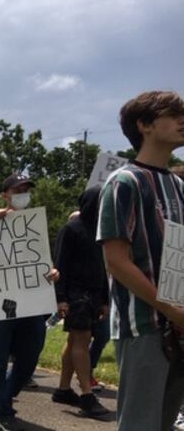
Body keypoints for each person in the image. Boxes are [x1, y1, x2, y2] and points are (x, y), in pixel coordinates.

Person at [98, 90, 184, 431]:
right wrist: (171, 309)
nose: (182, 120)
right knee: (140, 424)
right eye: (172, 113)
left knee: (163, 422)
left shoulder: (177, 185)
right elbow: (116, 262)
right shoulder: (124, 182)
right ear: (144, 125)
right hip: (144, 326)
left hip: (177, 324)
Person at [0, 173, 60, 430]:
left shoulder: (34, 225)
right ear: (5, 194)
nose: (23, 194)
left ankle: (6, 395)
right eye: (18, 189)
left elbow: (42, 258)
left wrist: (52, 271)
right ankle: (3, 411)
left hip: (31, 305)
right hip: (0, 304)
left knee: (29, 357)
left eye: (26, 189)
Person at [51, 186, 111, 417]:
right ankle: (87, 395)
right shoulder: (71, 229)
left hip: (94, 295)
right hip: (77, 295)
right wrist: (61, 298)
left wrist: (104, 299)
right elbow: (60, 264)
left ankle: (63, 389)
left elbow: (102, 267)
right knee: (81, 342)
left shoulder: (101, 231)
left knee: (74, 340)